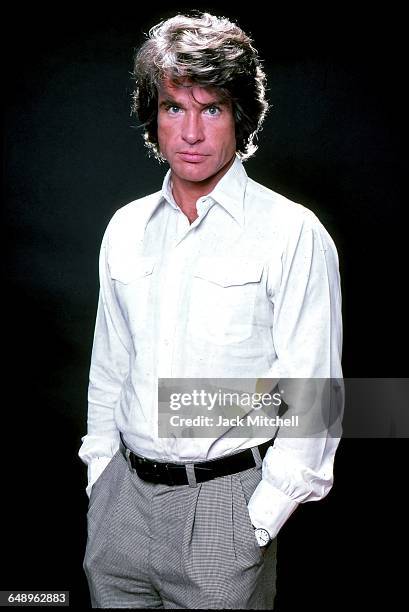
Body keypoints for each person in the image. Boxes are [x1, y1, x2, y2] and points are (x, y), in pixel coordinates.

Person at [78, 12, 343, 609]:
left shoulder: (292, 234)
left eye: (212, 108)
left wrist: (259, 519)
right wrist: (101, 475)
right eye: (175, 108)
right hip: (122, 505)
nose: (191, 132)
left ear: (240, 116)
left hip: (225, 509)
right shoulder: (125, 229)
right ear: (155, 116)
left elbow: (314, 396)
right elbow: (109, 365)